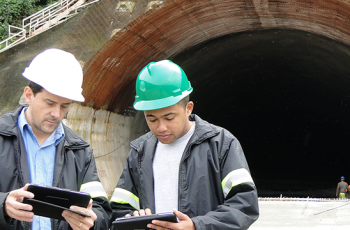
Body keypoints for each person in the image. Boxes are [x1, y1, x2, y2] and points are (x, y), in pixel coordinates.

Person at [110, 60, 259, 230]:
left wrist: (196, 226)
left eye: (169, 118)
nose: (161, 127)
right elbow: (119, 210)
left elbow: (245, 204)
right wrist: (134, 220)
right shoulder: (139, 152)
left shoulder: (221, 144)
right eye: (151, 119)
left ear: (188, 108)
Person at [0, 48, 111, 230]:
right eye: (50, 103)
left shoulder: (80, 151)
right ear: (29, 95)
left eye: (64, 106)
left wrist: (93, 221)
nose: (56, 114)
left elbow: (102, 212)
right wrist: (3, 205)